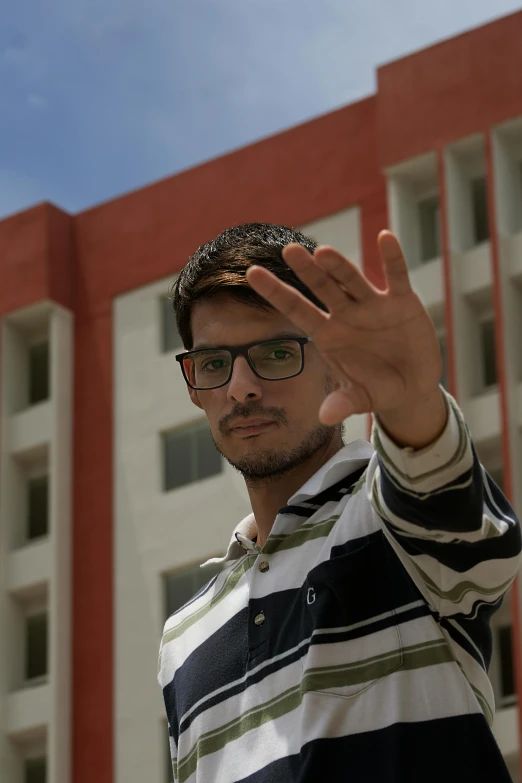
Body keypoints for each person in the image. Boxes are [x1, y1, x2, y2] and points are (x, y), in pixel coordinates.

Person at [157, 223, 521, 783]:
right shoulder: (183, 635)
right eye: (213, 364)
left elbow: (441, 499)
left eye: (276, 353)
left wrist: (412, 404)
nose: (242, 387)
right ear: (193, 387)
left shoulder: (386, 523)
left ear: (334, 363)